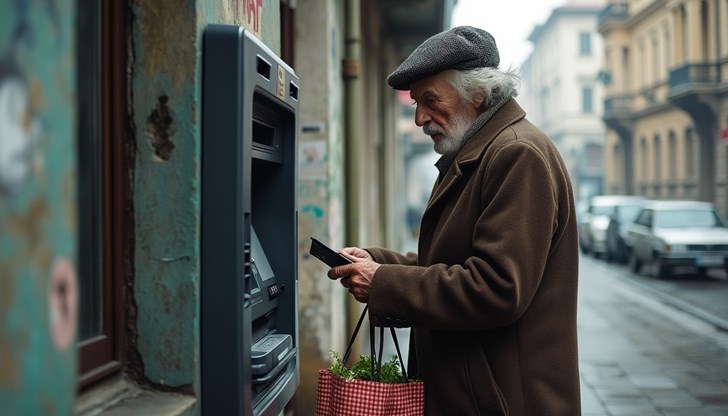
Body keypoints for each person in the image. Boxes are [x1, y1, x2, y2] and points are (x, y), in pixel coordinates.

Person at [328, 26, 581, 415]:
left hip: (503, 401)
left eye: (430, 100)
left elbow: (497, 288)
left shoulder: (516, 154)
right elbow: (453, 264)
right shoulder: (478, 152)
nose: (419, 118)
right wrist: (379, 263)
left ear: (477, 94)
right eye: (415, 103)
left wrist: (384, 282)